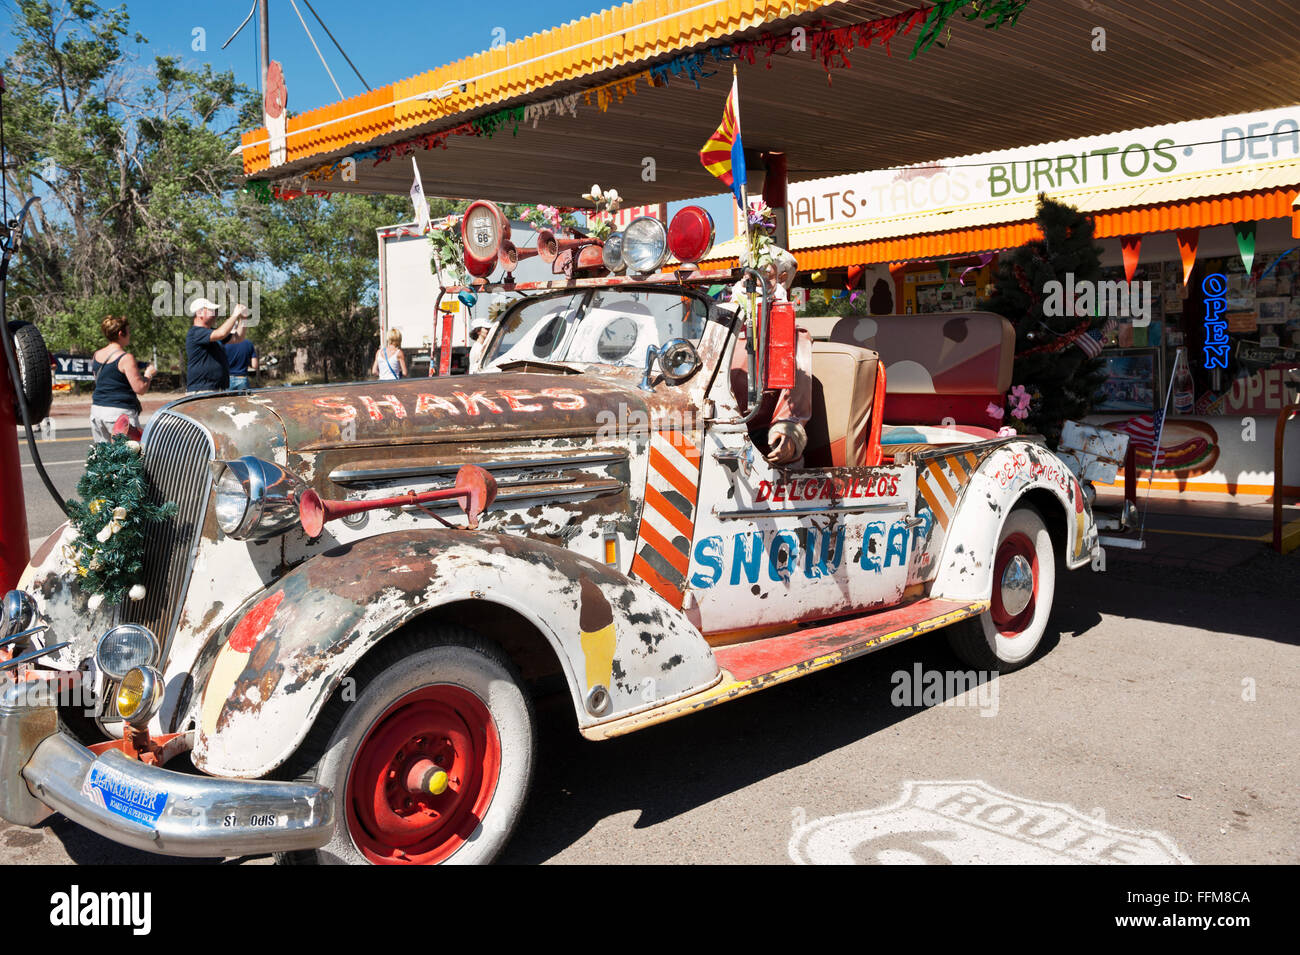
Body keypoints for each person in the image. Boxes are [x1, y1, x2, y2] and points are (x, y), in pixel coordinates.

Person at [726, 246, 812, 467]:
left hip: (761, 438)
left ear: (781, 279)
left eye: (765, 275)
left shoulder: (793, 335)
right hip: (718, 427)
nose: (753, 284)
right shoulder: (724, 326)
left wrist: (788, 433)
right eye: (749, 275)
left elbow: (796, 395)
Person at [90, 315, 155, 443]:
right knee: (128, 457)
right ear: (121, 334)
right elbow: (140, 388)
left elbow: (98, 378)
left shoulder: (97, 354)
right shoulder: (125, 358)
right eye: (129, 332)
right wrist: (149, 374)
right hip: (119, 413)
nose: (130, 335)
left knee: (104, 457)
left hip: (97, 411)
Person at [185, 297, 240, 393]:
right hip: (202, 390)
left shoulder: (212, 333)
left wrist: (243, 320)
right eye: (211, 310)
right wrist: (235, 315)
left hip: (218, 389)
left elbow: (238, 338)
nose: (216, 314)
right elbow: (222, 333)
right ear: (199, 313)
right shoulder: (196, 332)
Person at [223, 305, 259, 390]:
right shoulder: (248, 343)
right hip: (242, 379)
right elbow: (255, 365)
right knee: (243, 403)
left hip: (226, 379)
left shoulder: (222, 342)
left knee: (227, 403)